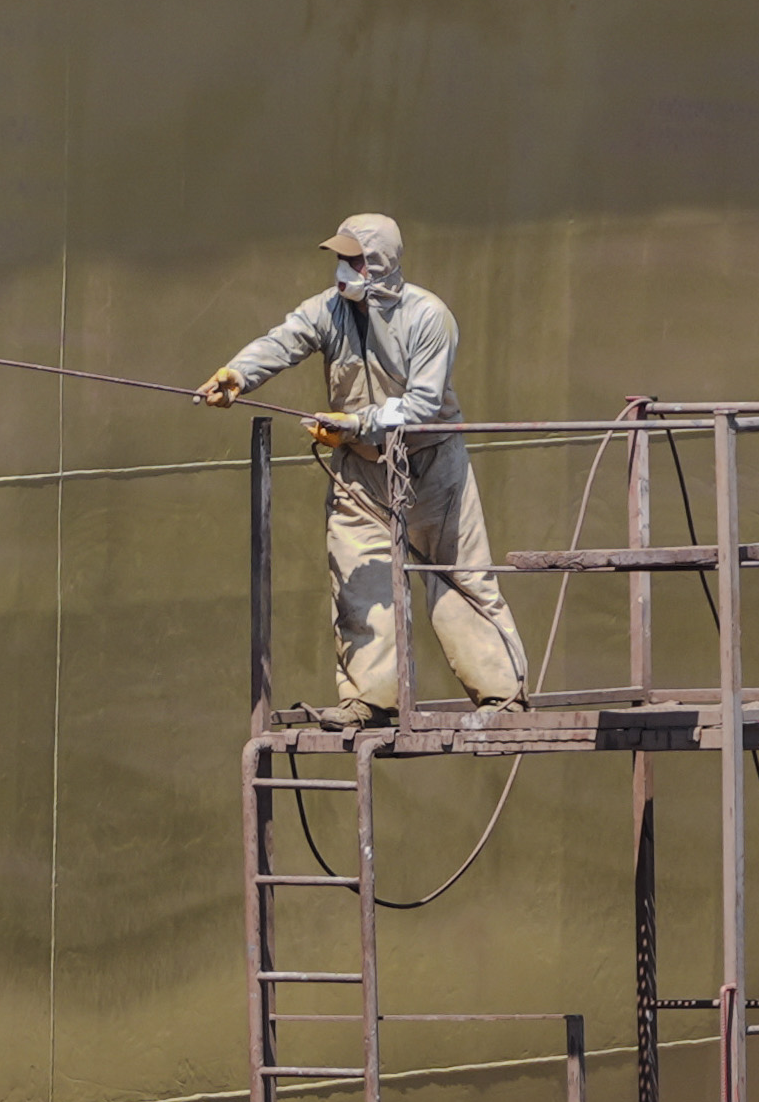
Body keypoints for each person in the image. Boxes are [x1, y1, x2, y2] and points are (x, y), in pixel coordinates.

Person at [199, 214, 529, 723]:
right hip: (360, 470)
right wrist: (238, 374)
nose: (342, 268)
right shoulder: (328, 309)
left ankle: (503, 697)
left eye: (353, 260)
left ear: (379, 262)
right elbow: (283, 340)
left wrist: (357, 422)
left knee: (461, 579)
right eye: (340, 258)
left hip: (431, 465)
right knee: (357, 582)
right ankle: (371, 700)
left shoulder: (428, 317)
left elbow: (423, 404)